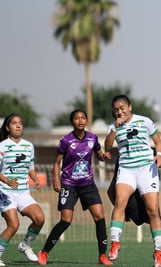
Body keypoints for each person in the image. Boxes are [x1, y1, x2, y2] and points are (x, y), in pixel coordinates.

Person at [37, 109, 112, 265]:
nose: (81, 121)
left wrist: (103, 156)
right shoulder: (66, 140)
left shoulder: (93, 138)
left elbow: (98, 154)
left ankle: (102, 256)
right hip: (69, 184)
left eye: (83, 118)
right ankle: (44, 252)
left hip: (88, 184)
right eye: (77, 118)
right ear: (72, 121)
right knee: (66, 220)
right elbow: (57, 162)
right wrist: (56, 179)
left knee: (100, 216)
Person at [104, 94, 161, 267]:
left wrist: (159, 156)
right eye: (116, 109)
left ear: (130, 107)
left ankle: (158, 255)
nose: (120, 111)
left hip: (146, 169)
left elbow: (158, 142)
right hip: (126, 169)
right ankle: (115, 245)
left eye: (122, 108)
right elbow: (107, 146)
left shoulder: (145, 121)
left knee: (153, 211)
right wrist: (115, 128)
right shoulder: (113, 126)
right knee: (120, 203)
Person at [107, 157, 161, 267]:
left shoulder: (135, 154)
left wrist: (120, 210)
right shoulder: (131, 156)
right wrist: (121, 210)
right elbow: (111, 189)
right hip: (134, 203)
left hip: (137, 202)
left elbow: (110, 190)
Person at [0, 113, 45, 266]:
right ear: (8, 127)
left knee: (40, 218)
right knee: (13, 225)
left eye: (20, 123)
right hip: (5, 191)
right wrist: (7, 180)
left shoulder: (28, 146)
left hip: (23, 191)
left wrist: (36, 180)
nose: (18, 125)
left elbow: (30, 168)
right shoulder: (2, 146)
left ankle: (25, 245)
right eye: (14, 123)